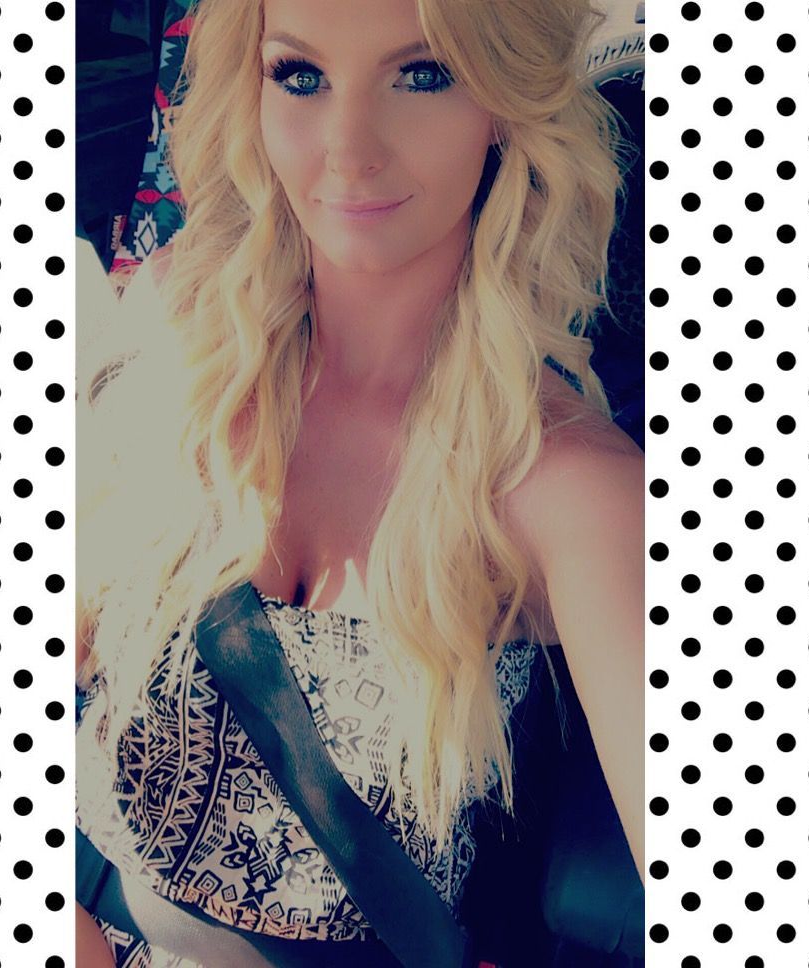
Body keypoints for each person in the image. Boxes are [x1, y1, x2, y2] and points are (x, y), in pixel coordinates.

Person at [75, 0, 644, 964]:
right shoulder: (181, 331)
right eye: (299, 75)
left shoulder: (569, 490)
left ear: (505, 104)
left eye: (423, 75)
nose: (347, 150)